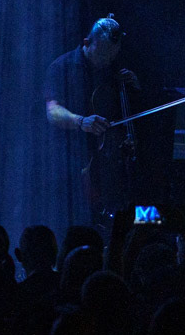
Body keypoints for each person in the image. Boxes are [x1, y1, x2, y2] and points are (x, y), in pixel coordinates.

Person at [44, 16, 139, 223]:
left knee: (137, 210)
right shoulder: (62, 67)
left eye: (112, 56)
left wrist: (135, 87)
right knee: (79, 216)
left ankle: (139, 226)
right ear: (87, 43)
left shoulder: (112, 69)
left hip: (111, 157)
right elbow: (52, 111)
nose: (108, 61)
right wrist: (81, 121)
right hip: (72, 160)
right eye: (103, 54)